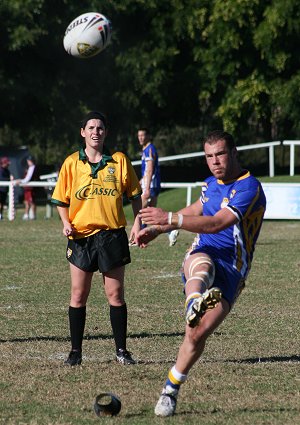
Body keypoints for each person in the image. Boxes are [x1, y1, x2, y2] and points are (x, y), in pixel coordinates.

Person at [137, 130, 266, 417]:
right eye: (209, 156)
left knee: (197, 334)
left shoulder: (249, 187)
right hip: (204, 251)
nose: (214, 161)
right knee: (202, 263)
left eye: (219, 154)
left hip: (233, 268)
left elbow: (216, 223)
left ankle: (170, 387)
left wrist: (170, 218)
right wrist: (157, 230)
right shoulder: (210, 184)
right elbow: (197, 209)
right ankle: (193, 301)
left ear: (233, 152)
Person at [51, 111, 142, 367]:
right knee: (78, 294)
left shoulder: (119, 161)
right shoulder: (71, 163)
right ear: (83, 132)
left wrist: (138, 223)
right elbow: (61, 199)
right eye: (91, 127)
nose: (95, 132)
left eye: (100, 128)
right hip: (81, 237)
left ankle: (122, 351)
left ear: (106, 133)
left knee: (115, 294)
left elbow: (135, 195)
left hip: (112, 235)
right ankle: (76, 351)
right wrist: (66, 223)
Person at [137, 127, 179, 246]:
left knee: (139, 211)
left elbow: (150, 170)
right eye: (139, 135)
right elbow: (147, 171)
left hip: (151, 185)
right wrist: (141, 181)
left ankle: (138, 236)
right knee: (149, 215)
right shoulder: (147, 149)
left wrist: (147, 188)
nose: (140, 138)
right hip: (151, 184)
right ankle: (170, 231)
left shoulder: (149, 149)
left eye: (143, 135)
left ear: (149, 136)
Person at [15, 155, 39, 220]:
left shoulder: (33, 168)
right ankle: (26, 215)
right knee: (27, 201)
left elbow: (27, 179)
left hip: (31, 188)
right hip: (27, 188)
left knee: (32, 202)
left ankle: (33, 215)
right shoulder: (29, 168)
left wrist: (20, 181)